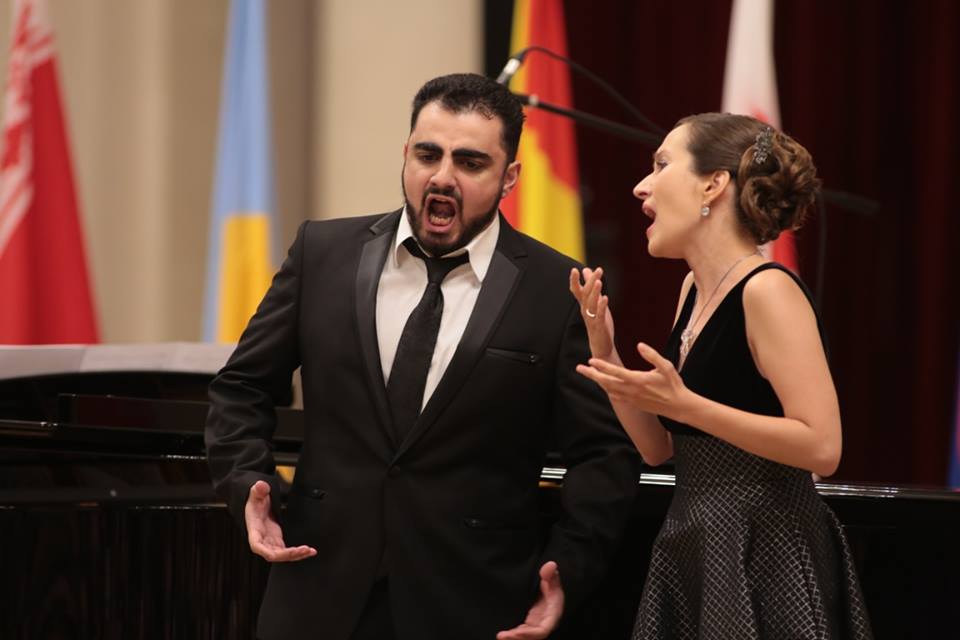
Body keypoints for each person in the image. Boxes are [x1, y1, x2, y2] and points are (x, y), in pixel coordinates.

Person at [205, 72, 641, 640]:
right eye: (427, 154)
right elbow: (240, 388)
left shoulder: (557, 288)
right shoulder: (323, 252)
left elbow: (604, 452)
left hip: (475, 603)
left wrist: (570, 567)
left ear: (509, 177)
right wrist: (246, 485)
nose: (442, 177)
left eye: (470, 163)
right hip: (316, 590)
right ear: (405, 154)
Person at [570, 113, 873, 639]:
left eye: (662, 164)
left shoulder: (768, 290)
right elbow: (658, 449)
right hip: (697, 538)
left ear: (713, 184)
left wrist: (687, 405)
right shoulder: (693, 289)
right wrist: (608, 354)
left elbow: (823, 446)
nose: (642, 185)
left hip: (769, 549)